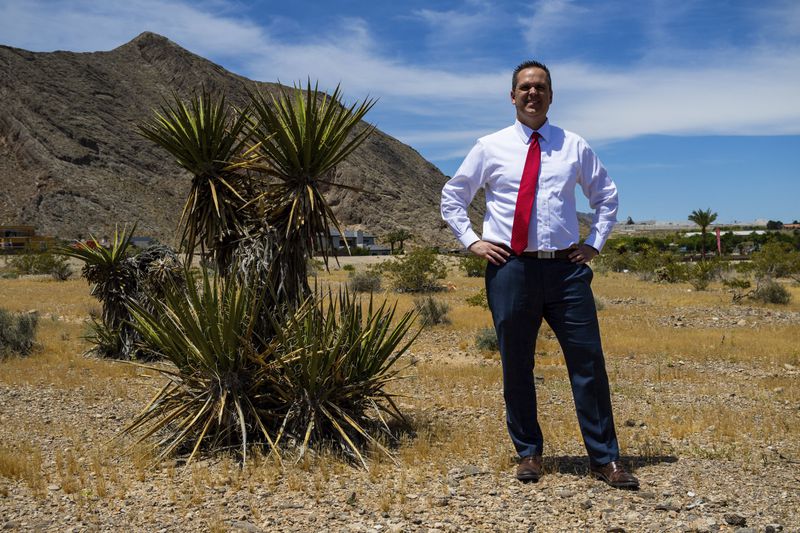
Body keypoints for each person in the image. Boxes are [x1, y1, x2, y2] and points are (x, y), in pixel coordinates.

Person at [440, 60, 638, 490]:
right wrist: (472, 241)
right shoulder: (490, 147)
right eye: (525, 88)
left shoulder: (574, 146)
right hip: (511, 268)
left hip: (567, 271)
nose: (533, 94)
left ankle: (605, 459)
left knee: (588, 362)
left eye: (540, 87)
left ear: (551, 95)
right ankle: (528, 453)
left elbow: (606, 196)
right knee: (516, 363)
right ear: (512, 96)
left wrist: (595, 243)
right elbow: (453, 196)